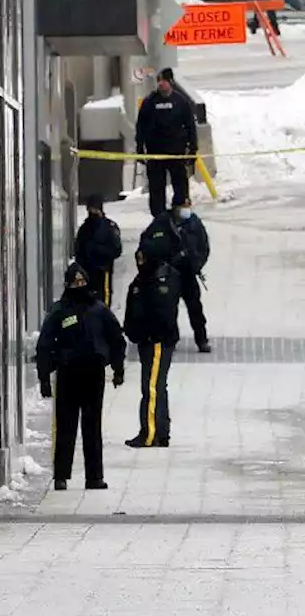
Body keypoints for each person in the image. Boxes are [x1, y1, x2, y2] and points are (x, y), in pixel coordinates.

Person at [36, 263, 127, 491]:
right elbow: (45, 345)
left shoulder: (99, 310)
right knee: (65, 427)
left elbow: (116, 339)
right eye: (75, 282)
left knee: (92, 425)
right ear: (67, 284)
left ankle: (94, 477)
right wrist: (44, 377)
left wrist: (118, 368)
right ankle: (61, 475)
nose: (79, 286)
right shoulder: (59, 311)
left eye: (82, 282)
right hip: (68, 373)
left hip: (94, 373)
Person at [123, 234, 182, 449]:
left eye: (142, 259)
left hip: (157, 342)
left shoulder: (159, 282)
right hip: (148, 341)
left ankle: (150, 433)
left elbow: (161, 314)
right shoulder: (144, 281)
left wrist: (148, 334)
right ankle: (159, 430)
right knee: (155, 386)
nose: (139, 263)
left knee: (152, 387)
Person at [136, 73, 198, 218]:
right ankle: (159, 217)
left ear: (170, 82)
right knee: (156, 187)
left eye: (163, 81)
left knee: (180, 184)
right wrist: (140, 149)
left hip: (176, 152)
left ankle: (180, 211)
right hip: (155, 154)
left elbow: (190, 126)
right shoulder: (149, 102)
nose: (160, 84)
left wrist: (193, 149)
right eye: (159, 81)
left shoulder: (181, 101)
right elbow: (141, 127)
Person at [174, 198, 212, 353]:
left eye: (188, 205)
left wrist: (197, 263)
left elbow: (204, 246)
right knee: (168, 309)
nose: (187, 209)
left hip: (188, 273)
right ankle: (170, 339)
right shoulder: (166, 222)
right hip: (171, 273)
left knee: (195, 308)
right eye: (184, 206)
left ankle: (202, 340)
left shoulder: (194, 223)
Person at [74, 194, 123, 307]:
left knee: (103, 304)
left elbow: (116, 250)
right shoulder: (84, 229)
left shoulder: (109, 227)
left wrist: (98, 251)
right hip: (87, 273)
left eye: (94, 208)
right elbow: (78, 251)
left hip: (103, 272)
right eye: (90, 209)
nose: (92, 211)